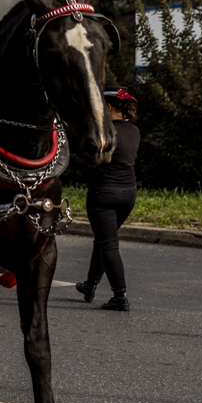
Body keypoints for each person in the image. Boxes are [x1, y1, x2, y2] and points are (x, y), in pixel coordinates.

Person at [76, 88, 141, 312]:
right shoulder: (133, 131)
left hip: (103, 194)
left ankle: (119, 296)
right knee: (104, 241)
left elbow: (87, 161)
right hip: (128, 193)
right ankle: (90, 285)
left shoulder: (103, 130)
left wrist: (65, 154)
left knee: (108, 245)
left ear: (109, 107)